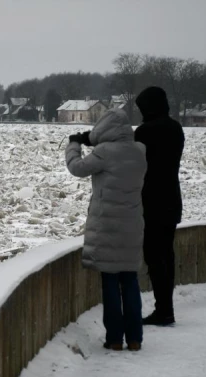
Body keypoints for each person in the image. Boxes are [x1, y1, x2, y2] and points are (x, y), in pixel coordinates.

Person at [65, 108, 147, 351]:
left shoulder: (104, 153)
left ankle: (114, 339)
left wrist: (74, 144)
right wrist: (93, 138)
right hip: (132, 226)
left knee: (110, 283)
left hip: (108, 227)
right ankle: (134, 338)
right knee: (130, 282)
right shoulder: (140, 151)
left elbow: (77, 168)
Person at [134, 86, 185, 326]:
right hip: (171, 199)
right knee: (167, 254)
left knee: (154, 257)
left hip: (150, 202)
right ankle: (167, 308)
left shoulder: (145, 132)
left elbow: (134, 163)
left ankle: (163, 310)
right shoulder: (176, 128)